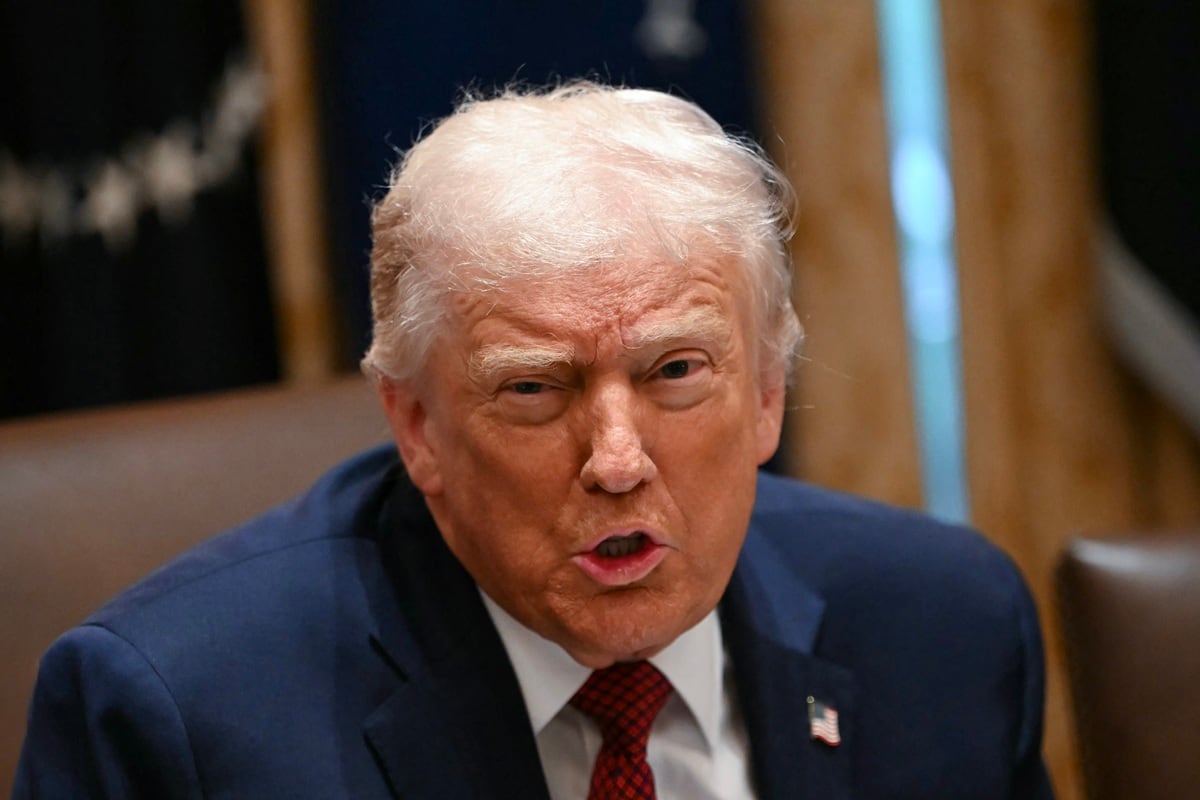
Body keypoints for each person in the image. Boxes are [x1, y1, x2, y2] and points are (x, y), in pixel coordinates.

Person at [14, 82, 1053, 799]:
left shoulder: (946, 628)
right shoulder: (178, 718)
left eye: (675, 371)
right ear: (416, 424)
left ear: (770, 390)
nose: (616, 458)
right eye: (535, 388)